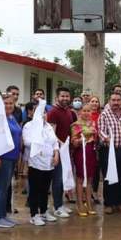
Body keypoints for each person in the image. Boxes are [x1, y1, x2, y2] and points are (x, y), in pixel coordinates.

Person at [22, 106, 59, 226]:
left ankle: (43, 211)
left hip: (49, 163)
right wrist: (39, 138)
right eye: (39, 112)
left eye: (44, 112)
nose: (42, 115)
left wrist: (56, 154)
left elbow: (54, 142)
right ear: (32, 113)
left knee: (45, 189)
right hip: (36, 163)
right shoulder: (29, 126)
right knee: (35, 189)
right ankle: (34, 215)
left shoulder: (48, 126)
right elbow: (27, 142)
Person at [0, 94, 22, 228]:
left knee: (6, 187)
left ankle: (3, 215)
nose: (8, 106)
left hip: (12, 157)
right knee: (0, 188)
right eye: (5, 103)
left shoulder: (12, 117)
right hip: (2, 158)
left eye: (10, 103)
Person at [98, 92, 121, 214]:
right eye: (113, 100)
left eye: (118, 100)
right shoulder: (104, 114)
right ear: (109, 101)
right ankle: (109, 203)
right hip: (109, 151)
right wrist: (107, 139)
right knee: (110, 177)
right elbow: (100, 131)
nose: (116, 102)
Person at [47, 87, 77, 218]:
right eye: (62, 96)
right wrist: (61, 145)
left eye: (67, 96)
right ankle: (57, 207)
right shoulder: (53, 112)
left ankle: (61, 204)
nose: (65, 98)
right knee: (57, 180)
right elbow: (51, 134)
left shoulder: (69, 112)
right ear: (57, 98)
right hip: (57, 151)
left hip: (66, 151)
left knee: (64, 178)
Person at [70, 103, 99, 216]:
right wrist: (83, 137)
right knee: (80, 178)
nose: (86, 113)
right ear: (80, 112)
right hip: (81, 152)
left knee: (90, 178)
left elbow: (96, 139)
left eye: (88, 111)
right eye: (84, 111)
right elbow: (74, 142)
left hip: (91, 152)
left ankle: (89, 203)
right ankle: (80, 204)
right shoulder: (75, 125)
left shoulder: (93, 123)